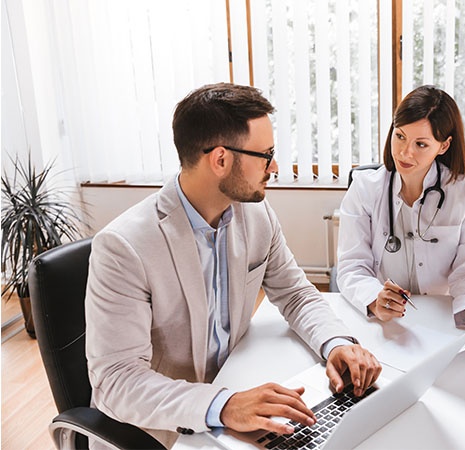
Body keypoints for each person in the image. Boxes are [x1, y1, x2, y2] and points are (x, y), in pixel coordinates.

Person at [85, 83, 382, 448]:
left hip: (236, 388)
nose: (274, 166)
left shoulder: (255, 214)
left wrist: (335, 344)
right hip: (164, 429)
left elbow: (295, 293)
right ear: (221, 160)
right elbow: (117, 381)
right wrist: (223, 405)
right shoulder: (123, 248)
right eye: (266, 154)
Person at [337, 85, 465, 346]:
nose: (405, 153)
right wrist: (374, 298)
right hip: (384, 326)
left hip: (441, 322)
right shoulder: (365, 188)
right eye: (400, 137)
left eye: (421, 144)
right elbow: (352, 266)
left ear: (444, 146)